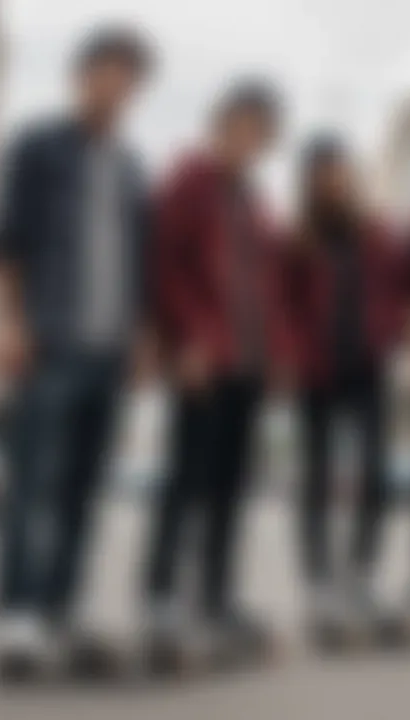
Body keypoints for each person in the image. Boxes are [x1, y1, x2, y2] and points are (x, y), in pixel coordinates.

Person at [0, 26, 155, 679]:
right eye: (105, 70)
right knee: (33, 485)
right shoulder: (37, 147)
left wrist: (142, 338)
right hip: (49, 340)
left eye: (128, 76)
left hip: (109, 350)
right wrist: (9, 323)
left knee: (87, 489)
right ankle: (18, 616)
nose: (115, 85)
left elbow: (138, 264)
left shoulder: (133, 166)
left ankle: (61, 610)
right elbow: (6, 242)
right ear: (80, 76)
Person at [143, 79, 285, 669]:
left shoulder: (255, 200)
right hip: (203, 360)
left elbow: (265, 285)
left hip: (247, 365)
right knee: (186, 484)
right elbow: (163, 265)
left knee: (230, 489)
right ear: (221, 125)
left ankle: (217, 600)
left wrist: (272, 356)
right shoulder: (189, 180)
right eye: (242, 126)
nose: (250, 140)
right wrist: (184, 340)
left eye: (261, 133)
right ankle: (161, 601)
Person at [276, 136, 408, 648]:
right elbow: (281, 303)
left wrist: (391, 332)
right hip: (316, 372)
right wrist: (290, 355)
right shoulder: (297, 239)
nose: (332, 181)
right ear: (309, 182)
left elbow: (400, 287)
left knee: (375, 472)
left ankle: (360, 574)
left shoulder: (375, 233)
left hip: (369, 368)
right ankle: (319, 583)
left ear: (350, 177)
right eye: (322, 173)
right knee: (316, 477)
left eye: (339, 171)